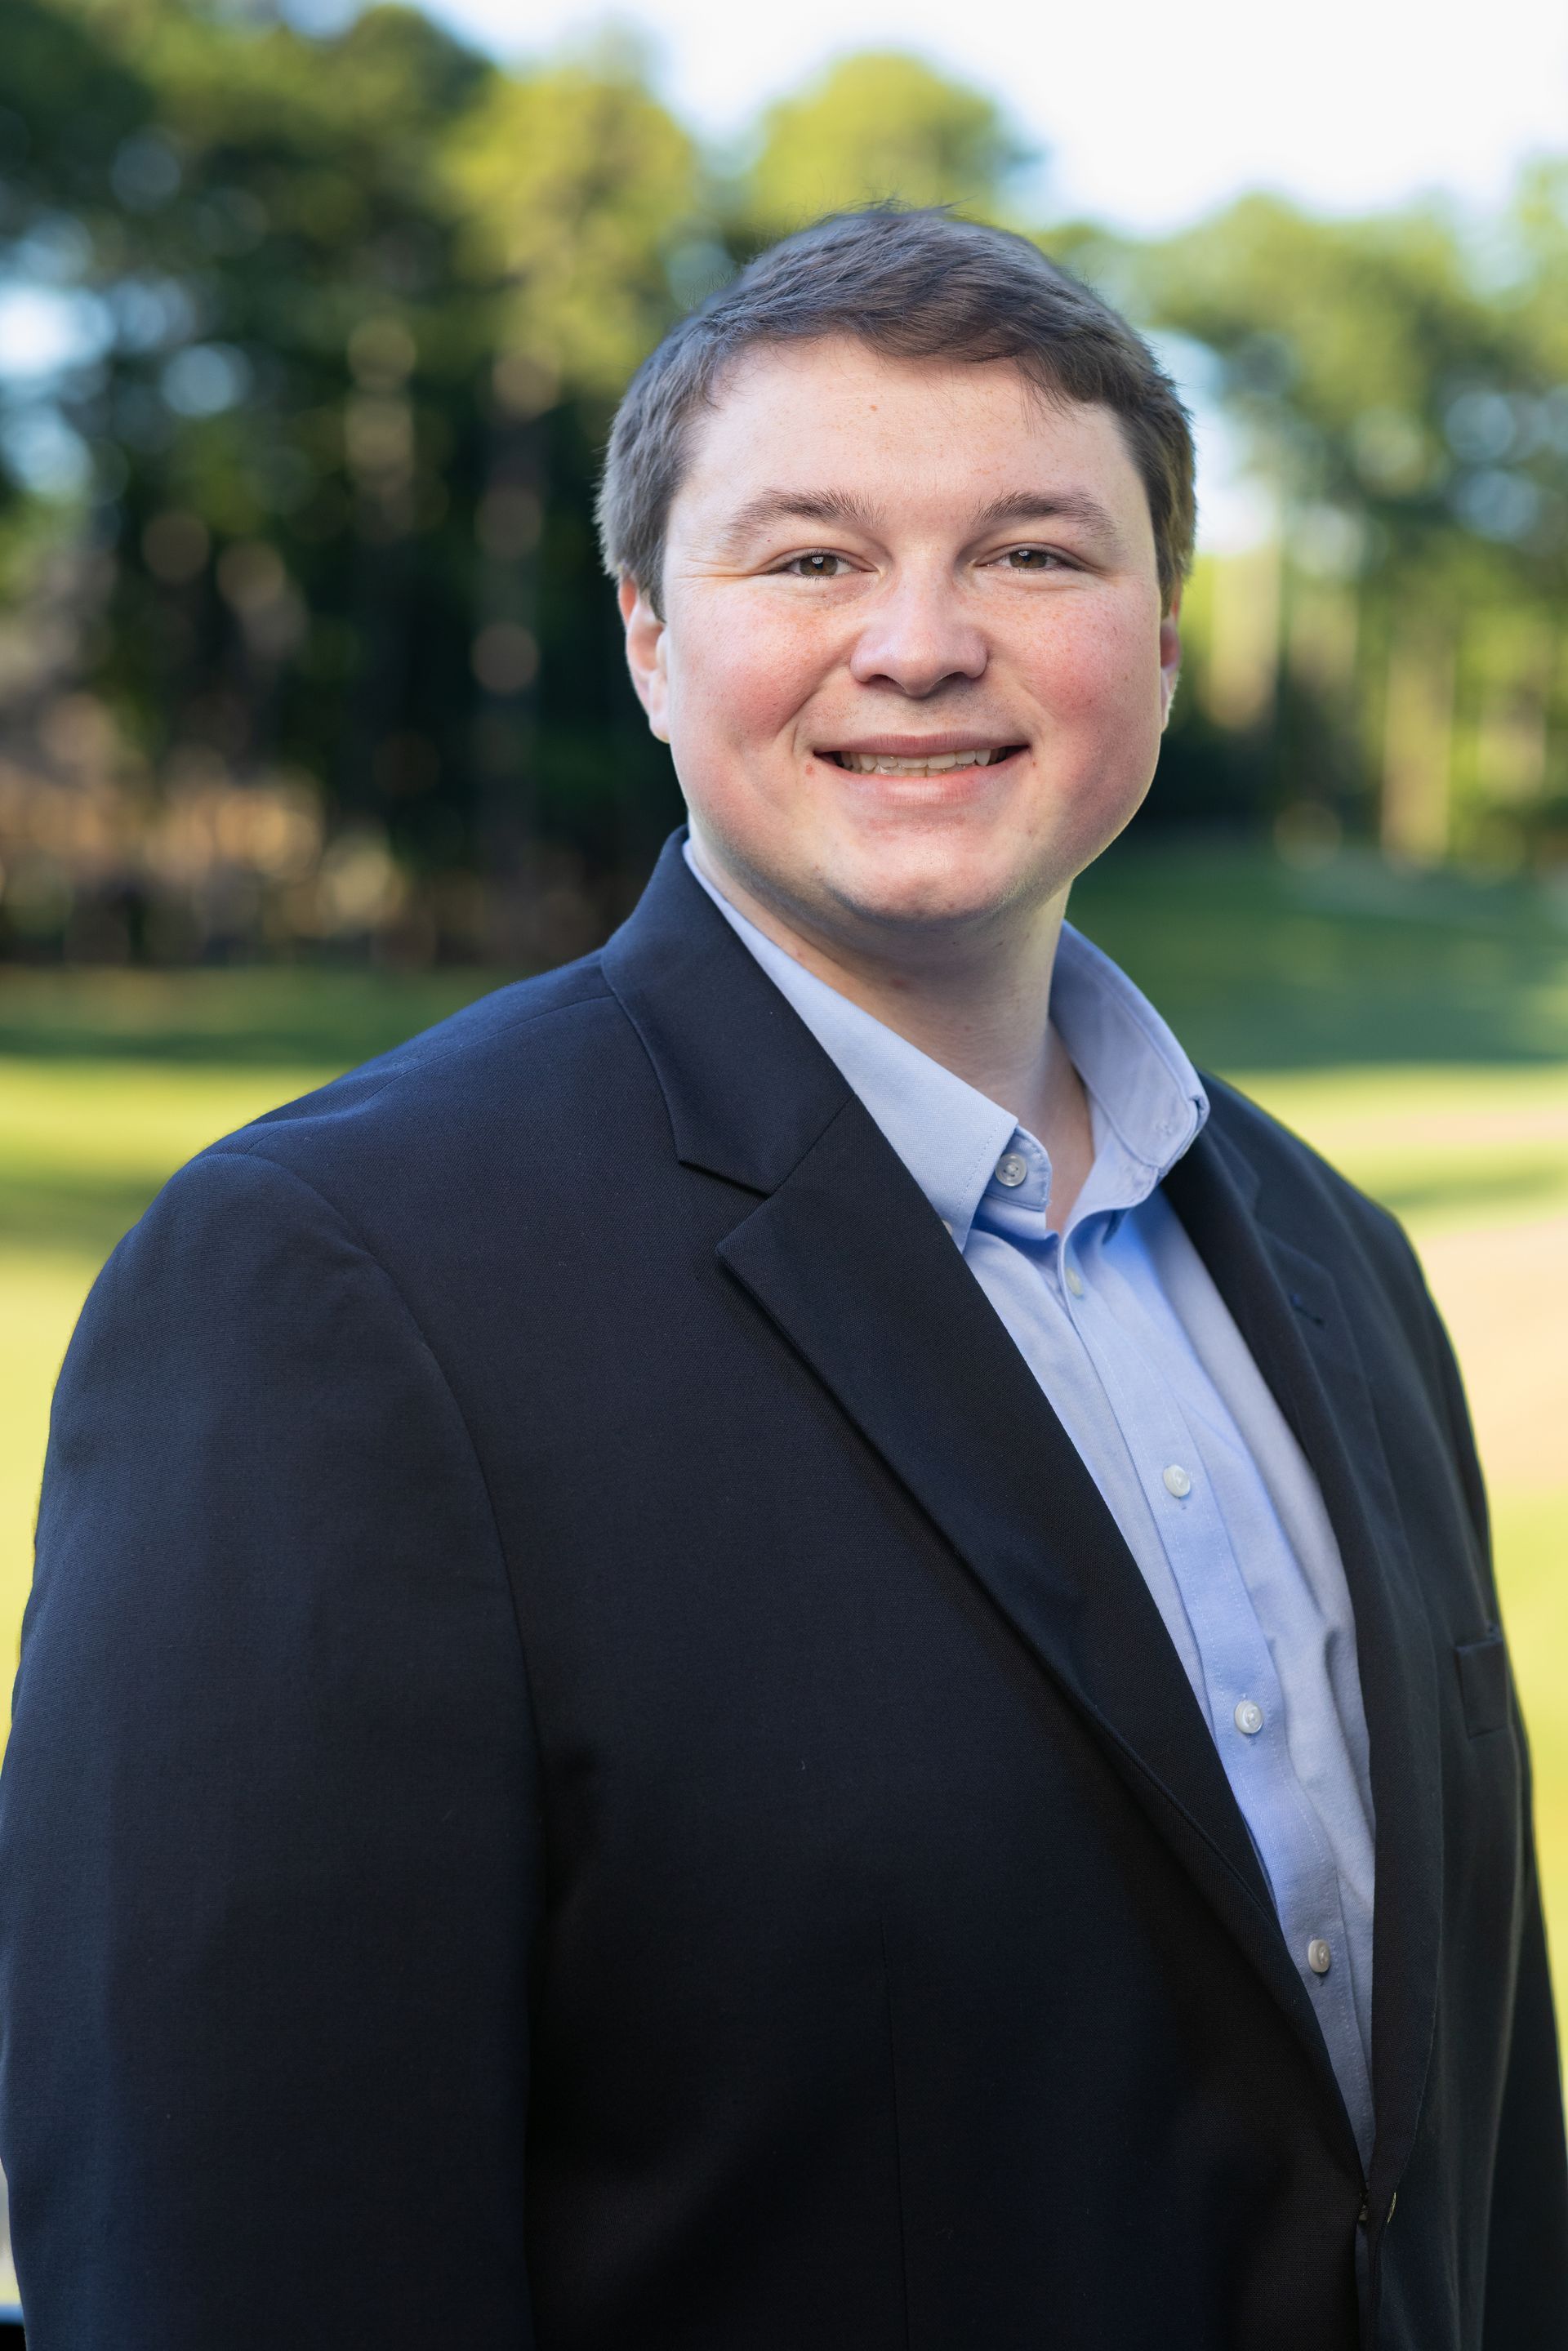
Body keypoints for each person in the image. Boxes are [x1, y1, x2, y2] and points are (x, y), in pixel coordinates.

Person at [0, 207, 1562, 2351]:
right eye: (811, 557)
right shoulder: (328, 1287)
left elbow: (1460, 2156)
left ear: (1166, 639)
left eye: (1033, 553)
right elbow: (231, 2248)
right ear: (651, 641)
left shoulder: (1337, 1260)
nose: (919, 643)